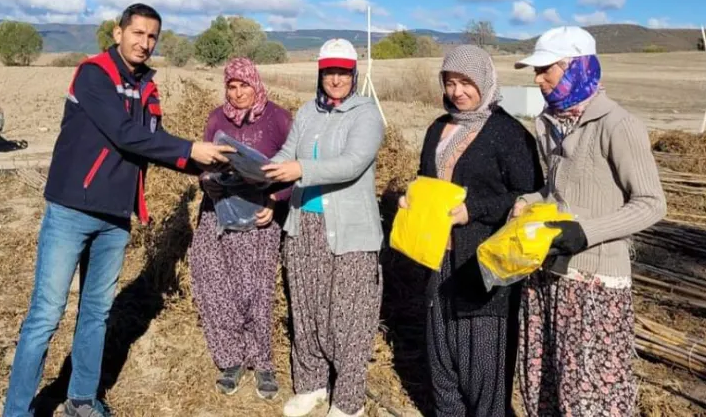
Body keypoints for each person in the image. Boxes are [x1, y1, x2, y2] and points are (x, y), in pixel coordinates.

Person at [2, 3, 235, 417]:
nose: (144, 43)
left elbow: (153, 139)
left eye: (152, 37)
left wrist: (203, 164)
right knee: (46, 315)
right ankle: (17, 411)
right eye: (138, 33)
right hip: (72, 209)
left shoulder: (147, 86)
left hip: (115, 216)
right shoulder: (94, 74)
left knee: (96, 312)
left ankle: (81, 399)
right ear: (117, 32)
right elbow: (125, 135)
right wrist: (189, 148)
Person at [510, 26, 666, 417]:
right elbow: (556, 192)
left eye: (547, 69)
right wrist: (527, 202)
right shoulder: (549, 123)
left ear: (577, 67)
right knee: (544, 381)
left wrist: (586, 233)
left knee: (591, 393)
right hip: (548, 272)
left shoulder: (618, 125)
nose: (538, 78)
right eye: (536, 70)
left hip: (595, 282)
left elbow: (651, 204)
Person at [400, 45, 543, 416]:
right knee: (442, 359)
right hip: (437, 256)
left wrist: (473, 210)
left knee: (483, 368)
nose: (457, 92)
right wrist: (411, 200)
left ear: (485, 81)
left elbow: (529, 197)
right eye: (450, 82)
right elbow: (426, 180)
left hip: (482, 264)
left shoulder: (509, 134)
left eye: (466, 82)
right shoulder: (437, 128)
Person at [262, 38, 386, 417]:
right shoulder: (307, 112)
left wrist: (301, 170)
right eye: (329, 71)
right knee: (307, 309)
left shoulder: (366, 115)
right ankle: (312, 384)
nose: (335, 79)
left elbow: (352, 162)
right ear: (320, 73)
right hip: (305, 224)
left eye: (342, 72)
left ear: (353, 74)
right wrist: (264, 172)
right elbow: (288, 152)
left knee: (348, 317)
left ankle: (348, 402)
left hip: (350, 230)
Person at [188, 57, 293, 400]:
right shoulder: (218, 118)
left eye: (243, 85)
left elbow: (294, 166)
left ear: (256, 84)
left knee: (256, 292)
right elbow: (204, 161)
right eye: (231, 86)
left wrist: (275, 199)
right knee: (216, 285)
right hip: (219, 210)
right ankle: (231, 359)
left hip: (260, 214)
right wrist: (208, 180)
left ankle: (262, 362)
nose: (237, 93)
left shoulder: (278, 118)